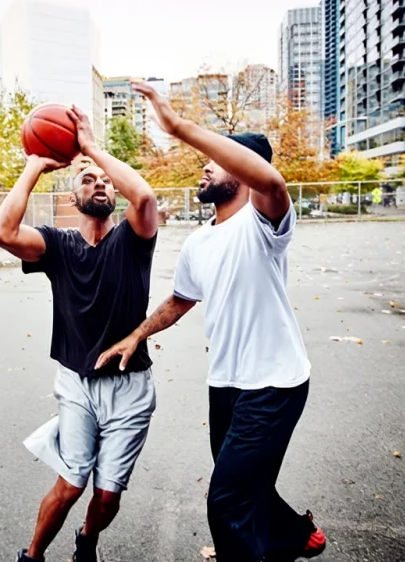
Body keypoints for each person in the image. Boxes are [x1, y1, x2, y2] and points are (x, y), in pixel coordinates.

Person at [96, 82, 327, 562]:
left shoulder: (264, 222)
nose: (205, 164)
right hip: (226, 384)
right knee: (244, 482)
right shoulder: (200, 241)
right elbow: (181, 300)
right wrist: (135, 335)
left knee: (226, 500)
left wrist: (179, 127)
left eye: (219, 161)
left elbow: (273, 184)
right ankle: (295, 535)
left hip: (275, 383)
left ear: (245, 173)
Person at [0, 105, 159, 562]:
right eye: (87, 179)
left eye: (103, 179)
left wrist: (91, 151)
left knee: (106, 497)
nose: (99, 182)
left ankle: (88, 539)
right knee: (69, 485)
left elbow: (143, 198)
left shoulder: (133, 238)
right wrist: (33, 164)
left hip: (130, 386)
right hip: (76, 383)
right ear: (71, 198)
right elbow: (2, 232)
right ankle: (33, 556)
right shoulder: (57, 245)